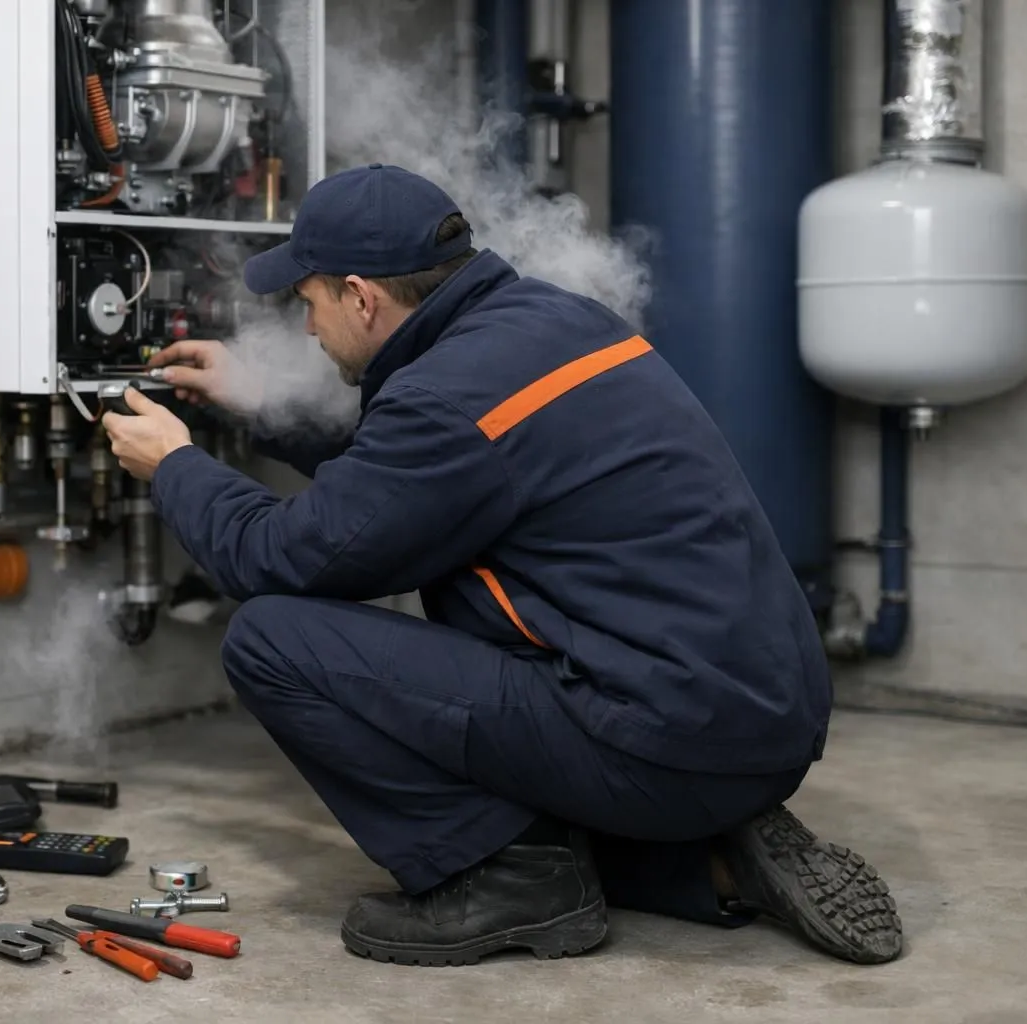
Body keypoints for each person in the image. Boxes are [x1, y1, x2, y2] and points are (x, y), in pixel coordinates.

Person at [99, 163, 904, 967]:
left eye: (308, 302)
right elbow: (408, 488)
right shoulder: (552, 323)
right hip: (754, 712)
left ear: (361, 296)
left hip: (671, 736)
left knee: (272, 637)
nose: (307, 328)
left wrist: (175, 466)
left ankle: (514, 880)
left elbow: (282, 558)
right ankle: (715, 859)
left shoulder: (444, 402)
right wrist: (261, 406)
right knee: (509, 674)